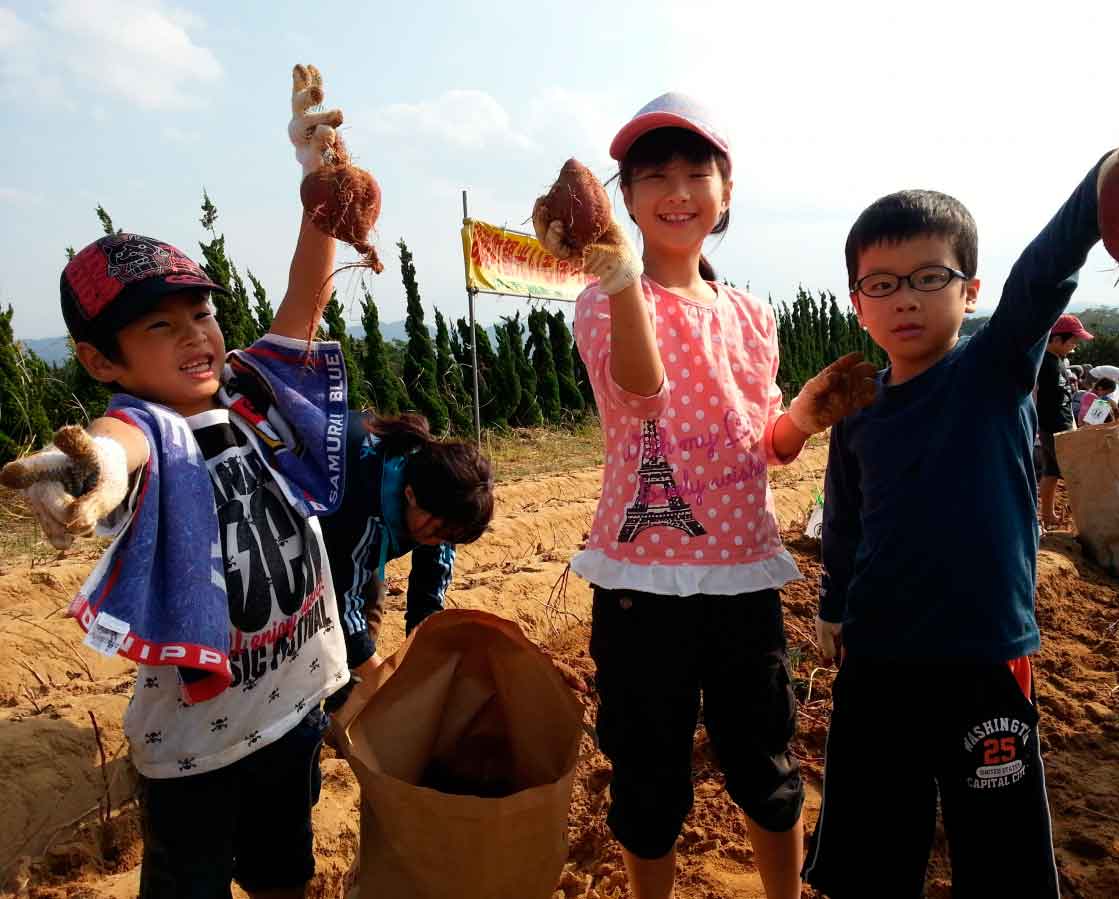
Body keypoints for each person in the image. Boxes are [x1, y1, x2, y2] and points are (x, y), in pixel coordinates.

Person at [799, 136, 1119, 898]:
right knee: (873, 854)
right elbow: (845, 520)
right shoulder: (859, 411)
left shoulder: (993, 370)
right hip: (878, 662)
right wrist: (834, 605)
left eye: (927, 277)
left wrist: (1106, 180)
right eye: (880, 283)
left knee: (1001, 855)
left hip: (985, 660)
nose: (904, 297)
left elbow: (1043, 276)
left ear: (970, 290)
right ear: (857, 302)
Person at [0, 66, 355, 899]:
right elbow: (121, 446)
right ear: (100, 360)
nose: (195, 334)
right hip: (196, 750)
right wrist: (89, 465)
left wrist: (316, 181)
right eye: (159, 325)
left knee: (282, 871)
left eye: (200, 311)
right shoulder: (149, 429)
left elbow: (307, 296)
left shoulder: (252, 389)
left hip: (292, 707)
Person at [532, 93, 874, 899]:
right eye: (655, 176)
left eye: (697, 171)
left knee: (765, 760)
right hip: (641, 584)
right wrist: (620, 279)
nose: (678, 191)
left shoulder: (752, 317)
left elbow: (765, 444)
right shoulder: (603, 300)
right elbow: (642, 394)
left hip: (742, 574)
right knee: (648, 774)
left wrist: (803, 414)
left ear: (726, 190)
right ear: (626, 197)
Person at [321, 410, 494, 708]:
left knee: (369, 596)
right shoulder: (362, 498)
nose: (440, 540)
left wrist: (423, 670)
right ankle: (339, 702)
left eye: (449, 536)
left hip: (351, 539)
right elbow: (339, 599)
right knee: (332, 629)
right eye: (439, 532)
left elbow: (427, 599)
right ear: (410, 495)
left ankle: (349, 704)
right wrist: (388, 686)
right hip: (309, 518)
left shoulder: (438, 498)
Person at [1036, 314, 1094, 528]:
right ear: (1057, 339)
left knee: (1051, 472)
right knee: (1075, 476)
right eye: (1073, 341)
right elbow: (1034, 394)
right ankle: (1085, 521)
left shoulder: (1057, 361)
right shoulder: (1043, 364)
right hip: (1054, 428)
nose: (1075, 346)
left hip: (1061, 426)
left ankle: (1048, 516)